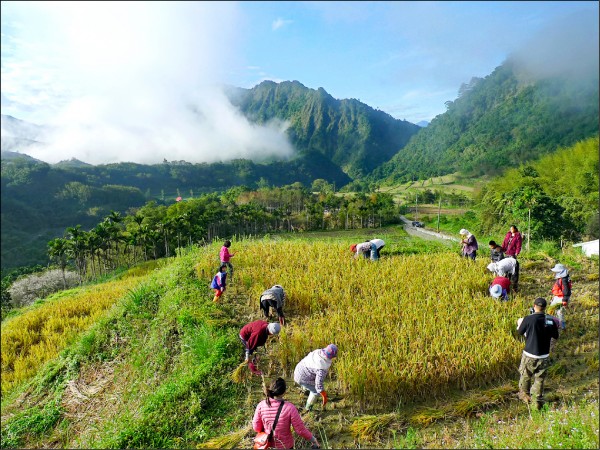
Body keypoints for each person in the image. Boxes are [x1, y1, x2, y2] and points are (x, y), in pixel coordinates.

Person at [252, 377, 320, 449]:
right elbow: (300, 430)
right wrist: (313, 439)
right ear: (284, 392)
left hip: (266, 445)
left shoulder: (261, 405)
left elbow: (256, 428)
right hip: (285, 446)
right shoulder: (290, 408)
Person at [516, 297, 559, 410]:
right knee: (540, 379)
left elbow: (520, 332)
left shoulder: (529, 319)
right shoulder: (550, 321)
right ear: (545, 308)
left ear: (534, 306)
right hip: (544, 355)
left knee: (526, 375)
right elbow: (555, 336)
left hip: (529, 354)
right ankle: (537, 400)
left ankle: (524, 396)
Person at [293, 344, 338, 411]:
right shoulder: (322, 368)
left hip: (298, 369)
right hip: (302, 378)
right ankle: (308, 408)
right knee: (316, 392)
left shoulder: (318, 352)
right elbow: (318, 384)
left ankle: (305, 390)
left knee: (310, 382)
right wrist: (323, 395)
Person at [549, 263, 572, 330]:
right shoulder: (563, 277)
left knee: (559, 312)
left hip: (561, 298)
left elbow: (566, 290)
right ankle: (553, 324)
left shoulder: (564, 279)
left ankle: (562, 326)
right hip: (558, 297)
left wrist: (565, 300)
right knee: (552, 310)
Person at [502, 225, 522, 290]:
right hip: (507, 252)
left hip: (512, 253)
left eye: (512, 229)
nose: (511, 230)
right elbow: (504, 242)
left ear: (515, 229)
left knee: (513, 268)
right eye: (510, 229)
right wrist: (503, 249)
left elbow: (519, 245)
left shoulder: (518, 236)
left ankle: (514, 283)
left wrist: (517, 253)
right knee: (506, 267)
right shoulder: (508, 234)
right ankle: (507, 280)